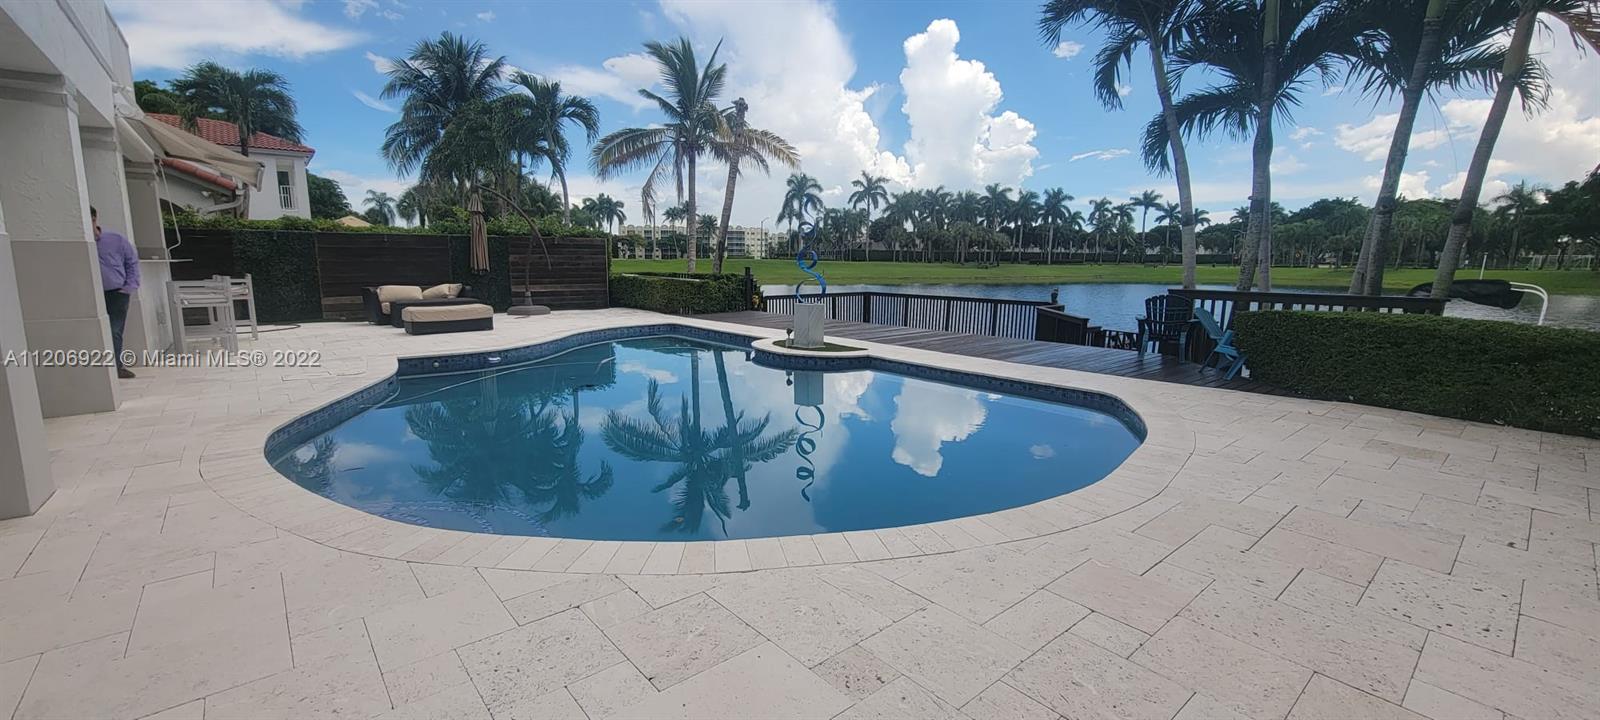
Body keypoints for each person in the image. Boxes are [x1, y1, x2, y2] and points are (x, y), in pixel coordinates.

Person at [93, 206, 139, 379]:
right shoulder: (84, 242)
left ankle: (117, 367)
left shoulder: (115, 239)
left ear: (94, 219)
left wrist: (129, 287)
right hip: (91, 293)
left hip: (116, 292)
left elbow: (131, 262)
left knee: (114, 330)